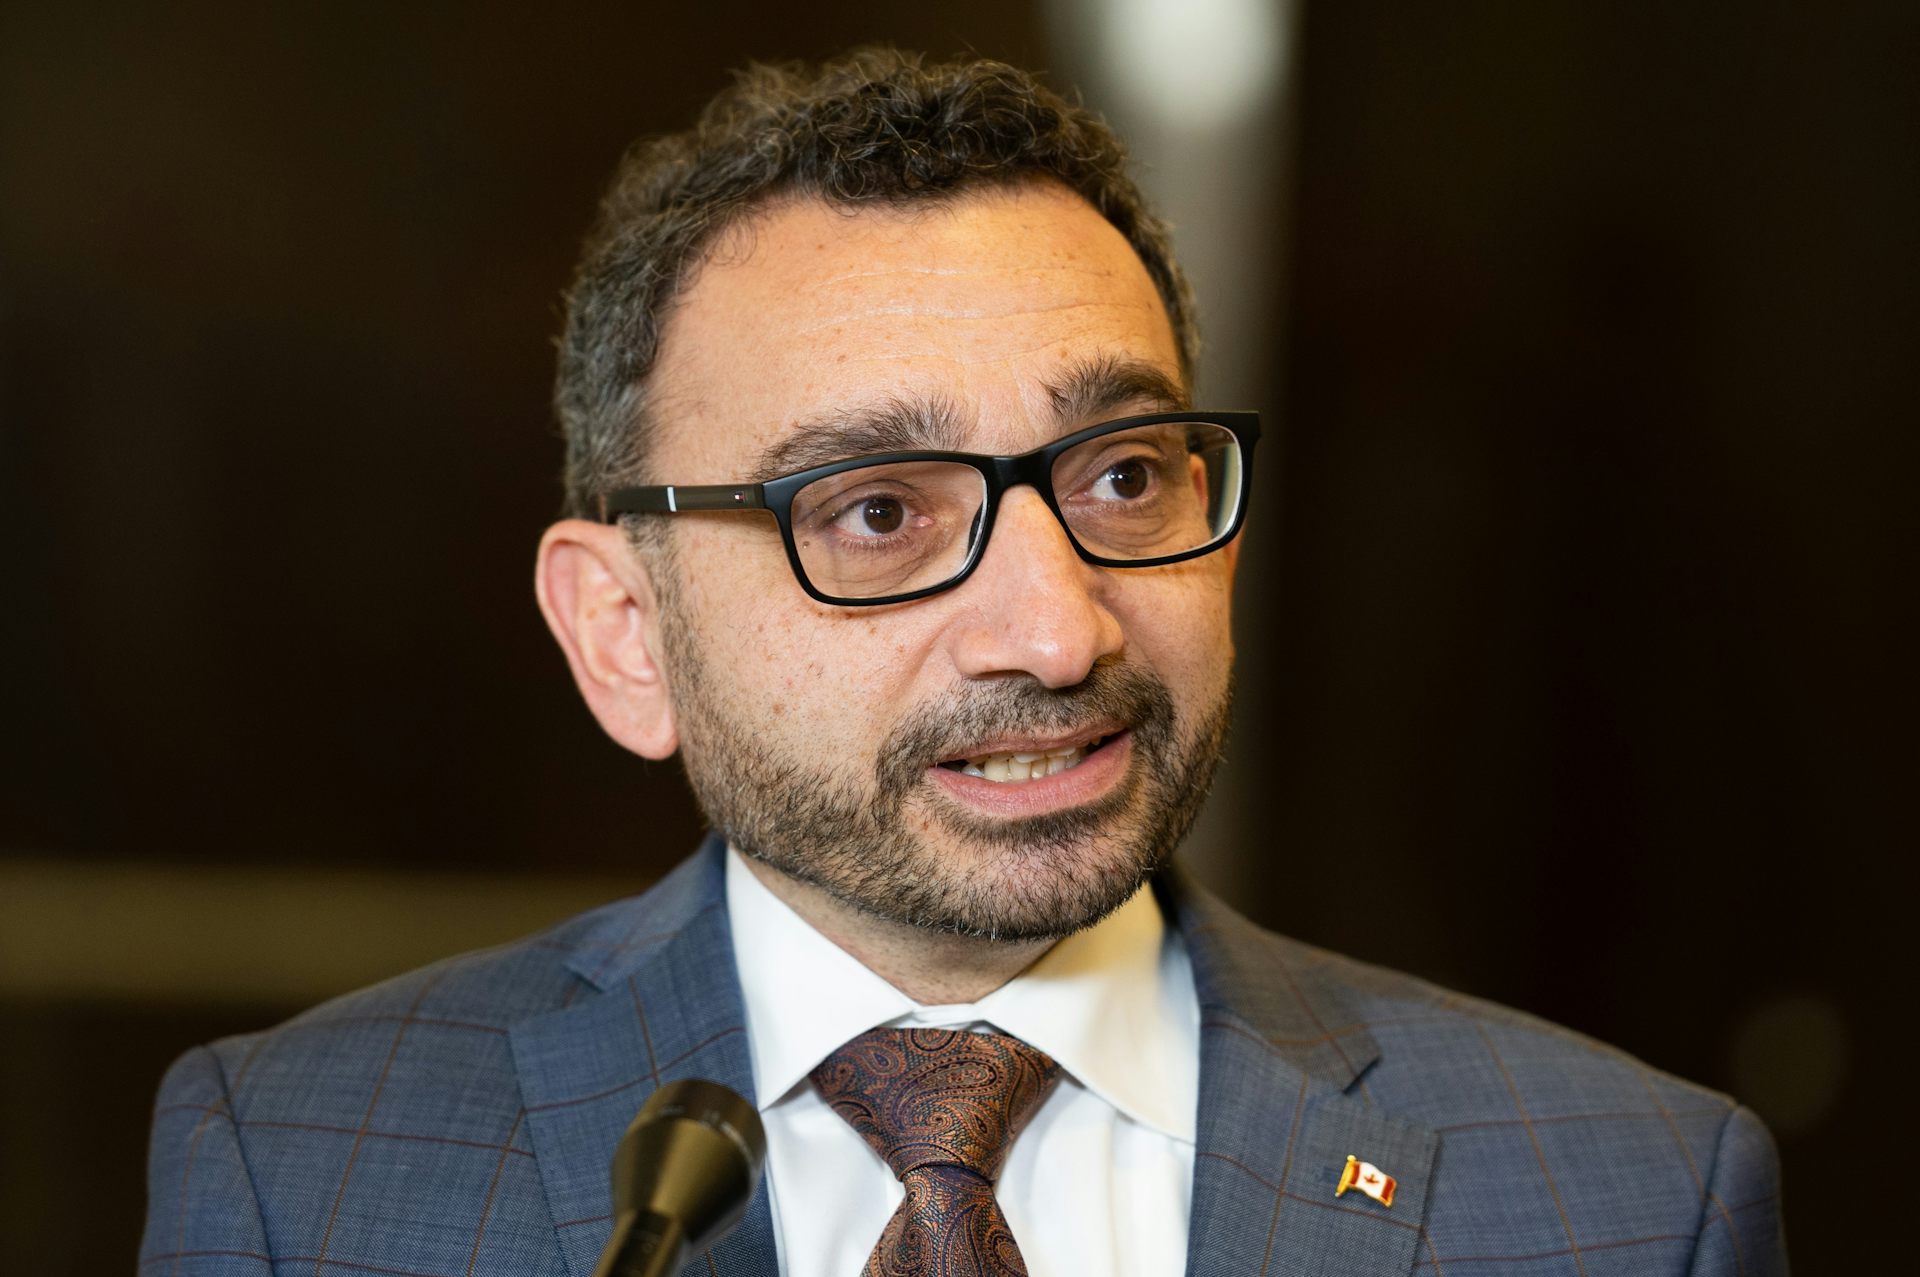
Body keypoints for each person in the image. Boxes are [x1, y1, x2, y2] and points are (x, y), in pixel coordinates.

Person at [142, 49, 1786, 1276]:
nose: (1058, 630)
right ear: (625, 635)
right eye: (877, 513)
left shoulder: (1629, 1200)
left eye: (1124, 477)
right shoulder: (305, 1174)